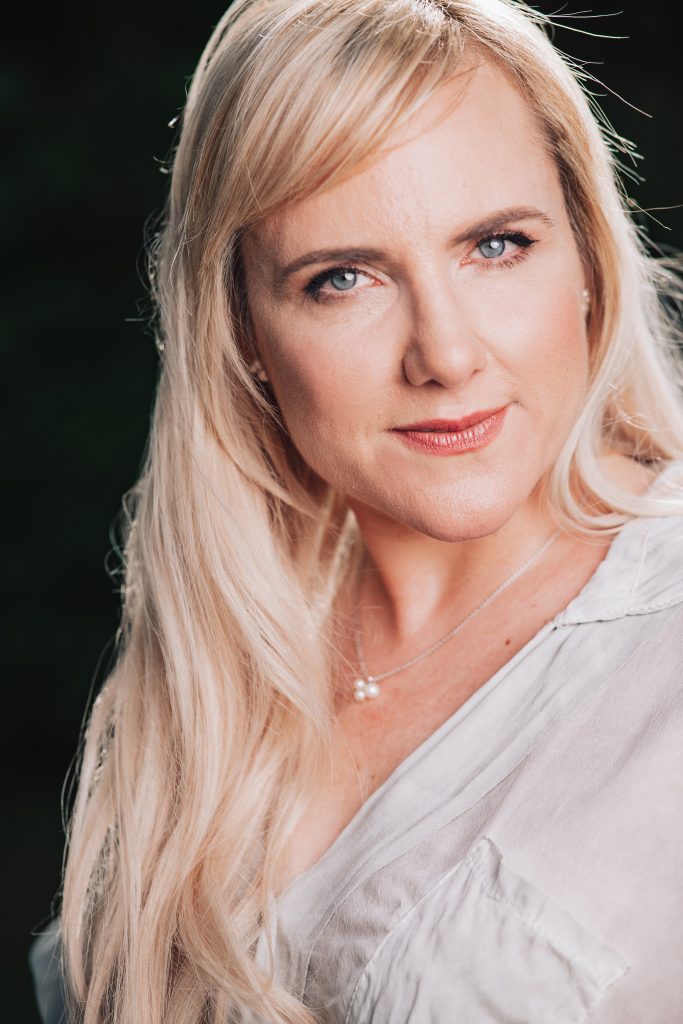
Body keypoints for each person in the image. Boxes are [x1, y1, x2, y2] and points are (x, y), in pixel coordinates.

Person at [29, 0, 683, 1021]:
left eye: (496, 245)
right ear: (244, 330)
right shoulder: (206, 672)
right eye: (343, 278)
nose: (445, 355)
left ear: (589, 260)